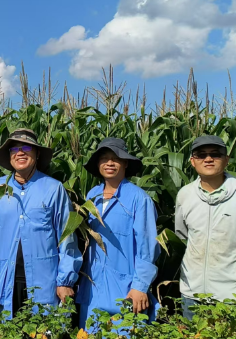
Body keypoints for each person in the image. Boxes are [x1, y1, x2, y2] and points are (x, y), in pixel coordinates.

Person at [0, 128, 82, 318]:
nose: (20, 153)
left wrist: (65, 281)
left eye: (26, 148)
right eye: (14, 149)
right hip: (4, 281)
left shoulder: (53, 189)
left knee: (42, 328)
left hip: (44, 283)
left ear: (37, 153)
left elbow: (67, 238)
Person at [175, 135, 236, 320]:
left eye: (215, 154)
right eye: (201, 155)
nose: (208, 159)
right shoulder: (185, 195)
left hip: (233, 296)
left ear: (226, 160)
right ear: (192, 161)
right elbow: (182, 236)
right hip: (191, 294)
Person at [77, 138, 160, 334]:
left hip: (125, 288)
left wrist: (140, 286)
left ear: (125, 163)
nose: (110, 163)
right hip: (93, 287)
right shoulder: (92, 196)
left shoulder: (138, 198)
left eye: (116, 159)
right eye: (104, 159)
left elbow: (147, 247)